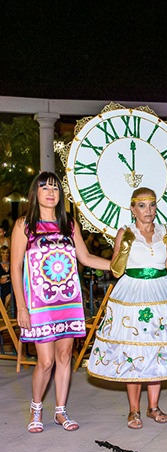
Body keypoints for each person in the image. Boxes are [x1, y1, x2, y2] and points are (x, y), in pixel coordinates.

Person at [86, 188, 167, 429]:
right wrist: (125, 247)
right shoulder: (125, 232)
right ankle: (134, 410)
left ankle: (153, 407)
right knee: (134, 350)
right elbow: (116, 270)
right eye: (142, 205)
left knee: (158, 349)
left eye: (152, 205)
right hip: (133, 294)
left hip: (161, 293)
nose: (148, 210)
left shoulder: (164, 231)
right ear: (132, 209)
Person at [11, 172, 111, 433]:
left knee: (65, 355)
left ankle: (60, 412)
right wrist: (21, 306)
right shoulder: (24, 225)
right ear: (35, 193)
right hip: (39, 304)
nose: (50, 192)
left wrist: (117, 266)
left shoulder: (69, 224)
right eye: (44, 187)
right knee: (45, 361)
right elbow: (15, 267)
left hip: (68, 300)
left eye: (55, 188)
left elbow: (86, 258)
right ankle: (36, 408)